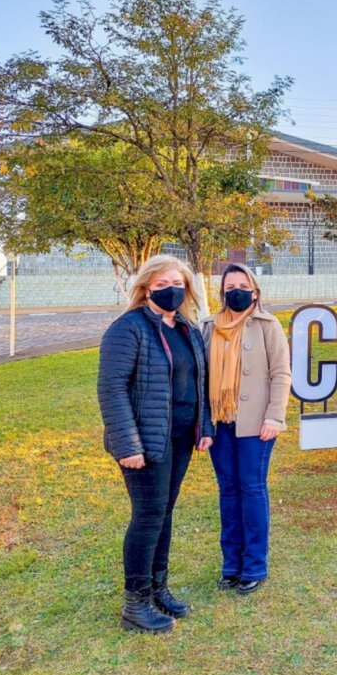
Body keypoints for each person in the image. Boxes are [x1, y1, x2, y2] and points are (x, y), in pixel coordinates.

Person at [98, 255, 214, 634]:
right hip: (144, 441)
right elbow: (111, 390)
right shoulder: (127, 329)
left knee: (164, 514)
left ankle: (157, 589)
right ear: (146, 287)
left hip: (180, 438)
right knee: (147, 517)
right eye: (162, 284)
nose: (171, 290)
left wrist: (205, 427)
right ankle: (135, 603)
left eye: (177, 283)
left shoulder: (187, 328)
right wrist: (127, 445)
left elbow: (201, 383)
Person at [203, 263, 291, 595]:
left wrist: (274, 416)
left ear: (255, 292)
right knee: (228, 491)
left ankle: (254, 565)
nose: (235, 292)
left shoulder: (268, 326)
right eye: (229, 287)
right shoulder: (209, 326)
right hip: (220, 423)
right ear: (222, 291)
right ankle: (231, 565)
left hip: (256, 423)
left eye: (242, 286)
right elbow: (202, 377)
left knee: (252, 488)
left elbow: (281, 374)